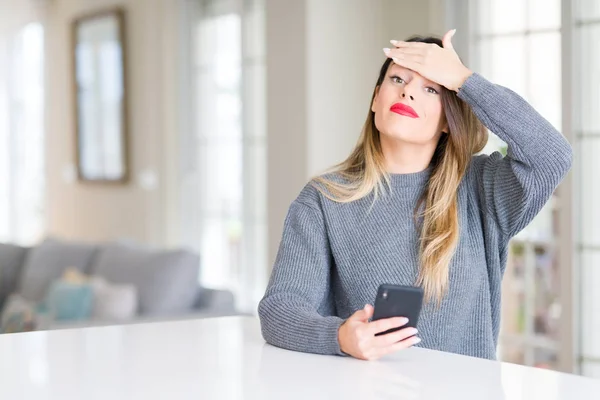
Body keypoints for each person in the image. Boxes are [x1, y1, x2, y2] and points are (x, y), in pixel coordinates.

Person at [258, 30, 572, 361]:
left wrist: (463, 80)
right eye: (397, 79)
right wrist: (339, 337)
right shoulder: (324, 200)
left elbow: (553, 157)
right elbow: (279, 310)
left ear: (449, 120)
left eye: (430, 88)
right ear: (376, 98)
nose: (407, 92)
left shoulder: (482, 188)